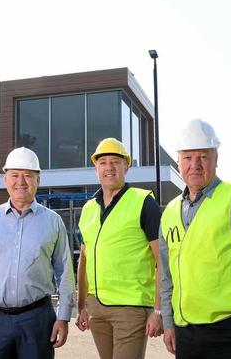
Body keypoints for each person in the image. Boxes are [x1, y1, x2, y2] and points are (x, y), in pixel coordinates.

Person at [159, 119, 231, 358]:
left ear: (216, 159)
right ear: (178, 161)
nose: (195, 165)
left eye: (203, 156)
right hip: (186, 333)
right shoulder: (170, 211)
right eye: (188, 158)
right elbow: (167, 274)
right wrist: (169, 322)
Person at [0, 147, 75, 359]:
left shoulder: (53, 222)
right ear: (5, 179)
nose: (21, 181)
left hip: (38, 319)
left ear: (38, 180)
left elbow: (65, 271)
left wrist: (64, 316)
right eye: (14, 175)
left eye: (28, 175)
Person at [75, 138, 163, 359]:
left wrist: (159, 310)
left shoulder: (143, 202)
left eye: (115, 161)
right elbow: (84, 260)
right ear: (96, 168)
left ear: (127, 166)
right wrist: (81, 305)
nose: (109, 167)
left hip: (131, 309)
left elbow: (163, 260)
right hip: (97, 308)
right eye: (103, 162)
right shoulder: (88, 209)